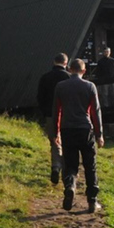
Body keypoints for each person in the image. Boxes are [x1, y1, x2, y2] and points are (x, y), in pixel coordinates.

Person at [54, 58, 104, 213]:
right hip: (85, 129)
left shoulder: (61, 86)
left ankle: (70, 186)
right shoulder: (90, 86)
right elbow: (95, 111)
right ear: (84, 71)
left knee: (70, 164)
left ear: (69, 69)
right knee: (90, 164)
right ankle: (92, 200)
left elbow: (57, 110)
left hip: (67, 129)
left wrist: (56, 132)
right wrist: (99, 134)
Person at [36, 52, 70, 185]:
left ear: (54, 62)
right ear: (66, 63)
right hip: (67, 115)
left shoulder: (45, 77)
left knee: (55, 142)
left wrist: (45, 112)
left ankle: (55, 166)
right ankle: (66, 174)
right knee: (67, 143)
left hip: (50, 114)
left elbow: (40, 97)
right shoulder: (68, 77)